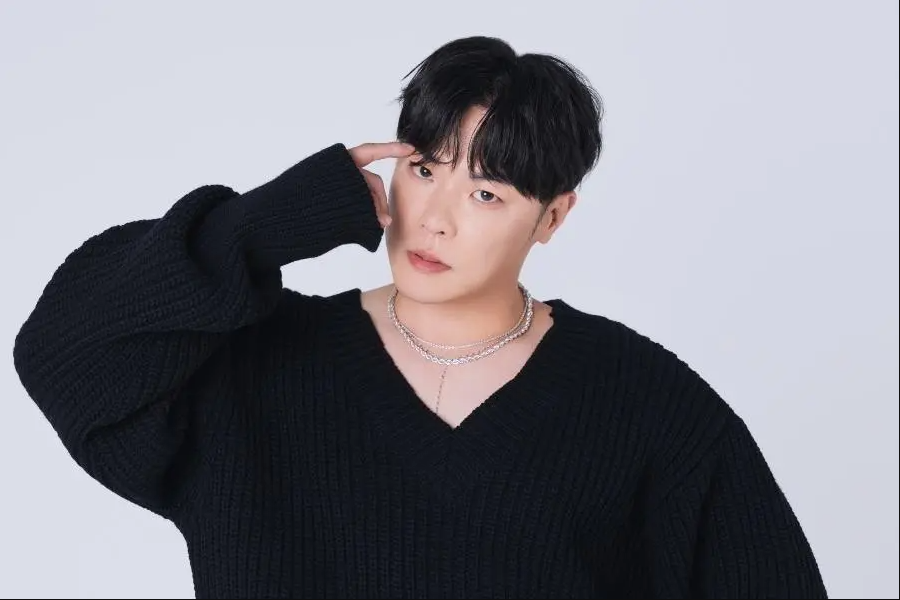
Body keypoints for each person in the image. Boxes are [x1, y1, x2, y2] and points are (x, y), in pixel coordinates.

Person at [12, 36, 827, 598]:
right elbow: (65, 352)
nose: (435, 218)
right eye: (426, 169)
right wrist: (264, 226)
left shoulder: (643, 405)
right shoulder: (249, 368)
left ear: (552, 216)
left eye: (486, 193)